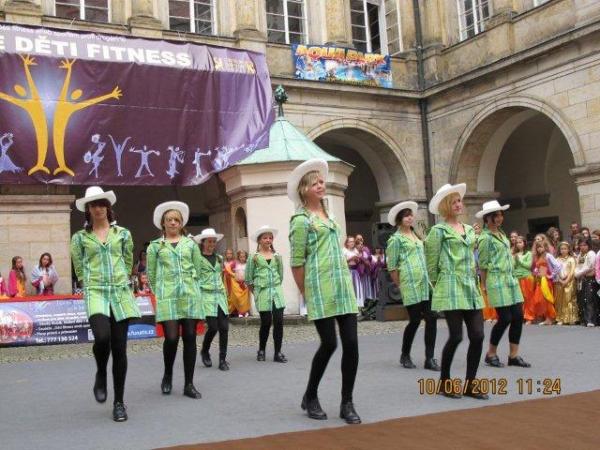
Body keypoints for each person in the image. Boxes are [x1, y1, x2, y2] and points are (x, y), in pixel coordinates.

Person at [288, 159, 361, 424]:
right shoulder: (300, 221)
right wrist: (306, 294)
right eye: (315, 183)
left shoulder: (329, 215)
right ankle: (310, 395)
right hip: (319, 288)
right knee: (330, 344)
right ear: (304, 189)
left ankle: (347, 402)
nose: (321, 185)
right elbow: (297, 262)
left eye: (322, 182)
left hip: (342, 285)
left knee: (351, 344)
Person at [70, 186, 141, 422]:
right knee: (102, 337)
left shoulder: (123, 233)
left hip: (120, 291)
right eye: (94, 205)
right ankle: (101, 371)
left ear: (108, 208)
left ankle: (119, 402)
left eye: (102, 204)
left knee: (120, 348)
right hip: (95, 291)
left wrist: (124, 279)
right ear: (88, 209)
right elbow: (78, 266)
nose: (98, 208)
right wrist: (87, 282)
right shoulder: (80, 238)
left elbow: (128, 260)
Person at [424, 183, 486, 400]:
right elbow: (431, 265)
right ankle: (445, 381)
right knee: (456, 336)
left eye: (460, 201)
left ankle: (471, 383)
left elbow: (473, 257)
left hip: (470, 285)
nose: (459, 205)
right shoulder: (437, 231)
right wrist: (439, 286)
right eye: (454, 202)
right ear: (445, 206)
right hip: (450, 285)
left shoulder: (469, 229)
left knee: (478, 335)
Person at [146, 201, 203, 399]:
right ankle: (168, 374)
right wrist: (159, 292)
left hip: (189, 294)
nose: (172, 223)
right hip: (167, 296)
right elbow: (151, 274)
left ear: (181, 223)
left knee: (190, 336)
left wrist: (194, 287)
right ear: (163, 223)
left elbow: (198, 269)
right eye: (169, 220)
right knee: (171, 337)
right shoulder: (155, 246)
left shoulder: (190, 244)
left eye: (176, 220)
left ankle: (189, 383)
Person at [476, 201, 530, 369]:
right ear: (487, 218)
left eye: (500, 215)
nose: (499, 218)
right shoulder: (485, 238)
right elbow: (482, 264)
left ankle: (513, 355)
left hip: (510, 279)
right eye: (496, 215)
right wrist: (484, 285)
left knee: (518, 316)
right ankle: (491, 353)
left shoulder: (501, 234)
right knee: (505, 318)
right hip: (496, 280)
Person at [386, 201, 439, 371]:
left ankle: (429, 358)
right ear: (399, 219)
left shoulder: (416, 236)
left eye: (410, 215)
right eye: (406, 216)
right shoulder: (396, 239)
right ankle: (405, 354)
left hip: (424, 282)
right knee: (415, 320)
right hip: (409, 283)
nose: (410, 218)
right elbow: (392, 267)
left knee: (431, 317)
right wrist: (400, 285)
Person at [245, 225, 287, 363]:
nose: (268, 240)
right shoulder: (254, 257)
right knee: (266, 322)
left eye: (270, 238)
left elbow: (280, 275)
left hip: (276, 292)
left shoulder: (277, 256)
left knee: (279, 321)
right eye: (265, 238)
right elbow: (248, 279)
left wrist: (275, 286)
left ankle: (278, 352)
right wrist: (256, 293)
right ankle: (261, 350)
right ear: (259, 240)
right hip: (262, 292)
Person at [195, 228, 231, 371]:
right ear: (203, 242)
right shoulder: (198, 259)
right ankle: (205, 350)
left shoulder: (219, 258)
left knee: (224, 328)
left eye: (214, 241)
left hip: (220, 296)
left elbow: (221, 276)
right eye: (209, 241)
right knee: (213, 327)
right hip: (206, 295)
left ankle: (222, 359)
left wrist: (225, 292)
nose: (212, 244)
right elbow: (196, 278)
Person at [531, 240, 560, 326]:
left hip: (546, 281)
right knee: (539, 299)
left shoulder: (548, 256)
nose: (539, 249)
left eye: (541, 247)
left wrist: (551, 275)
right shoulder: (538, 256)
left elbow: (558, 266)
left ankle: (550, 318)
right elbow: (537, 267)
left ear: (545, 247)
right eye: (538, 247)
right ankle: (546, 317)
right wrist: (536, 272)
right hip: (540, 280)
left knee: (546, 298)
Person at [474, 222, 497, 322]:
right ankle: (487, 315)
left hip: (488, 272)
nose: (476, 229)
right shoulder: (473, 248)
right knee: (483, 295)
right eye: (474, 228)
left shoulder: (485, 240)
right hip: (478, 274)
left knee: (491, 293)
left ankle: (495, 315)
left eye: (478, 227)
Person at [554, 242, 580, 325]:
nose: (563, 250)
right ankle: (560, 317)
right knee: (559, 300)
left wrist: (566, 281)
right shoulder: (557, 259)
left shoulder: (571, 259)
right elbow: (555, 271)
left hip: (569, 282)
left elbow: (572, 271)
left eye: (565, 249)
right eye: (562, 249)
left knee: (568, 299)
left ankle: (570, 318)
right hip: (559, 282)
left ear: (569, 250)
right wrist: (560, 280)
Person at [574, 239, 598, 327]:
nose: (582, 247)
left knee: (590, 299)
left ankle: (591, 320)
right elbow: (577, 266)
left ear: (589, 246)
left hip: (590, 279)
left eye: (584, 245)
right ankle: (585, 319)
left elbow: (589, 266)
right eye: (581, 245)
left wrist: (578, 274)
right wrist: (576, 273)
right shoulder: (580, 255)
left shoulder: (591, 253)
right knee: (582, 299)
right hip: (582, 279)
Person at [513, 236, 535, 324]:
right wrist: (514, 260)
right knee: (519, 299)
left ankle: (529, 317)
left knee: (528, 298)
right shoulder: (515, 254)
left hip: (526, 277)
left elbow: (529, 266)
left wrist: (519, 260)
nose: (518, 244)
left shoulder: (529, 253)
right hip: (517, 277)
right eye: (517, 243)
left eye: (520, 242)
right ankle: (521, 317)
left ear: (524, 243)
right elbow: (514, 266)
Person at [226, 250, 251, 317]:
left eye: (244, 257)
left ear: (246, 257)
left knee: (245, 299)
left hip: (245, 284)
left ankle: (245, 311)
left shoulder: (248, 264)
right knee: (238, 298)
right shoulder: (235, 263)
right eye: (241, 257)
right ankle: (239, 311)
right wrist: (233, 275)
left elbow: (250, 273)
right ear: (238, 257)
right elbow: (227, 269)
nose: (242, 258)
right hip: (237, 284)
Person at [343, 236, 365, 307]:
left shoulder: (355, 250)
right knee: (349, 288)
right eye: (350, 241)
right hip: (348, 271)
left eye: (353, 241)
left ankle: (357, 305)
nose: (352, 243)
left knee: (356, 288)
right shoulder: (344, 251)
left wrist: (357, 259)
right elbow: (342, 262)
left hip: (355, 272)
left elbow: (358, 262)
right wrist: (351, 258)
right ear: (347, 243)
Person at [355, 236, 374, 301]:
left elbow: (369, 259)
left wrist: (366, 260)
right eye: (358, 239)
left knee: (366, 285)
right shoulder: (354, 251)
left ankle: (367, 299)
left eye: (361, 239)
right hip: (358, 272)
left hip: (366, 271)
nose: (360, 245)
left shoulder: (366, 249)